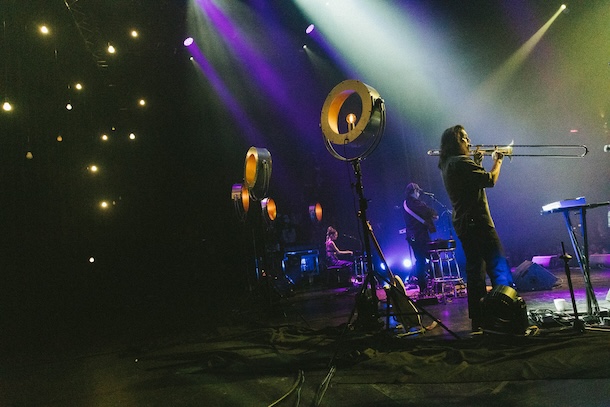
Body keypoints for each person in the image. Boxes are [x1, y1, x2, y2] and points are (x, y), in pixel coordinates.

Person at [437, 124, 514, 331]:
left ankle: (480, 321)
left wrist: (477, 162)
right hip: (478, 222)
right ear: (455, 142)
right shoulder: (460, 162)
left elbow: (470, 182)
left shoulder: (448, 163)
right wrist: (498, 161)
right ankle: (506, 316)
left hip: (464, 223)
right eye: (464, 138)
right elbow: (489, 180)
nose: (469, 142)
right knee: (499, 268)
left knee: (476, 273)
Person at [402, 182, 438, 296]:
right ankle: (433, 284)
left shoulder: (406, 203)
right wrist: (434, 215)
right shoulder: (413, 202)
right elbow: (426, 210)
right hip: (419, 235)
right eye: (418, 192)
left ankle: (424, 287)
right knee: (432, 257)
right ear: (415, 191)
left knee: (420, 260)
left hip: (413, 236)